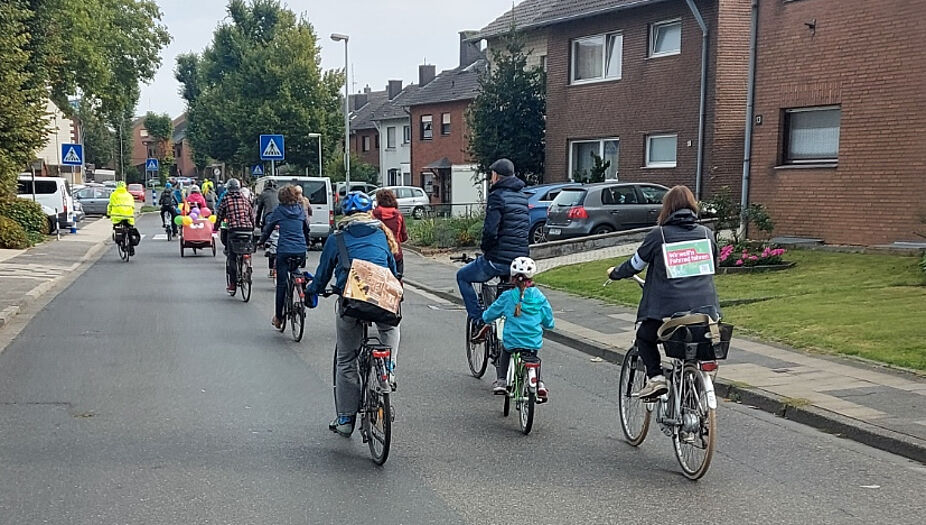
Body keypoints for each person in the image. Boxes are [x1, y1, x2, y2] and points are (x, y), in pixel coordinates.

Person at [606, 185, 721, 399]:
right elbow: (714, 265)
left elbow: (635, 265)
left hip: (668, 314)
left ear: (667, 208)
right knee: (694, 349)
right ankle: (693, 401)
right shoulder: (707, 234)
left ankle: (656, 379)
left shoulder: (658, 235)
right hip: (706, 314)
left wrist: (615, 273)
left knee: (644, 337)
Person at [306, 191, 400, 437]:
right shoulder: (381, 234)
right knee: (390, 327)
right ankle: (388, 367)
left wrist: (312, 290)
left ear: (344, 214)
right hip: (381, 299)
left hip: (351, 302)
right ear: (369, 212)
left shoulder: (337, 238)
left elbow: (322, 275)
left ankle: (346, 419)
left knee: (347, 358)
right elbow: (392, 270)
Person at [456, 158, 529, 342]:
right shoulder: (522, 196)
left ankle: (479, 320)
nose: (490, 179)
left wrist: (486, 251)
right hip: (519, 260)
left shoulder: (497, 196)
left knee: (462, 276)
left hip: (498, 259)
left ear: (496, 176)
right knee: (509, 291)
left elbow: (490, 231)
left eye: (492, 175)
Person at [482, 256, 553, 401]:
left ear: (512, 277)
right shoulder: (540, 297)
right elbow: (548, 321)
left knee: (506, 351)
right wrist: (548, 324)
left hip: (512, 340)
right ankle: (539, 382)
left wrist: (485, 317)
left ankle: (502, 380)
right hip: (532, 340)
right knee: (533, 357)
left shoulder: (507, 296)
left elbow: (490, 314)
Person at [259, 185, 311, 329]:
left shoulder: (279, 210)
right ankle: (301, 284)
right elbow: (306, 229)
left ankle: (278, 318)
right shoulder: (300, 210)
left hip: (284, 251)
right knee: (294, 269)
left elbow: (269, 228)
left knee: (281, 284)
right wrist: (307, 243)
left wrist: (261, 241)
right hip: (300, 251)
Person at [216, 178, 255, 293]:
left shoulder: (226, 199)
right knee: (246, 249)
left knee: (232, 256)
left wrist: (215, 227)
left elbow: (219, 214)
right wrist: (253, 227)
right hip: (247, 229)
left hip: (234, 230)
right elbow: (251, 215)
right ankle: (247, 263)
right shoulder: (245, 199)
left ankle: (232, 284)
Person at [372, 188, 409, 276]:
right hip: (395, 253)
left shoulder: (373, 214)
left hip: (378, 254)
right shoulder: (398, 215)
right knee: (396, 280)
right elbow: (404, 237)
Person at [107, 182, 140, 255]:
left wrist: (108, 213)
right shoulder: (129, 195)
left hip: (117, 216)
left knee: (117, 229)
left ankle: (120, 242)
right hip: (128, 216)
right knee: (130, 229)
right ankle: (131, 247)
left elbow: (110, 205)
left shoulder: (114, 194)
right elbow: (133, 206)